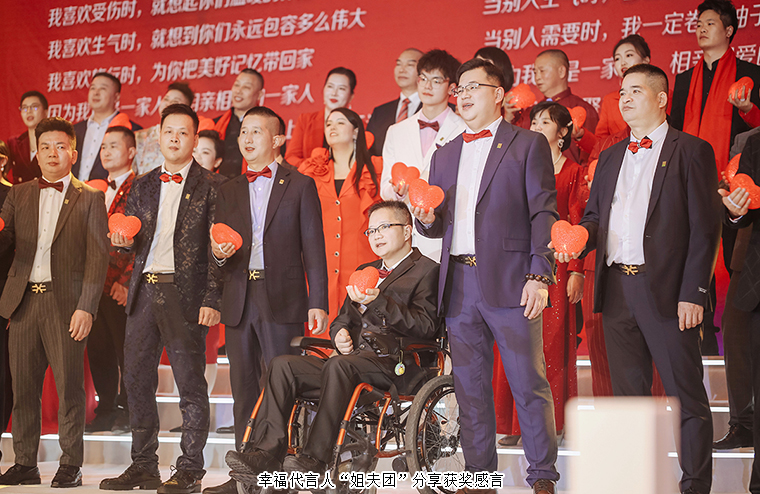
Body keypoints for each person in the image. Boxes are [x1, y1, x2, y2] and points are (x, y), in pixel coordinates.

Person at [556, 64, 720, 494]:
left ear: (661, 98)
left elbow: (705, 230)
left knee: (685, 395)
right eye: (622, 92)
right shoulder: (611, 156)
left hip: (668, 291)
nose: (625, 99)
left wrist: (694, 293)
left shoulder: (691, 150)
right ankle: (638, 483)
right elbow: (595, 217)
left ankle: (694, 485)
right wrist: (579, 238)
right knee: (630, 402)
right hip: (616, 290)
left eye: (635, 91)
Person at [413, 58, 560, 494]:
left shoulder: (527, 144)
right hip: (459, 284)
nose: (464, 95)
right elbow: (437, 226)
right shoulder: (444, 154)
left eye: (473, 87)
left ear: (498, 94)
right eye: (460, 88)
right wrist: (424, 219)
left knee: (527, 383)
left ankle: (542, 476)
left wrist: (540, 273)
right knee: (470, 389)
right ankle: (480, 479)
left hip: (513, 280)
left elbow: (543, 213)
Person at [224, 200, 442, 484]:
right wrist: (339, 334)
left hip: (397, 364)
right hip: (353, 364)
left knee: (340, 366)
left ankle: (315, 458)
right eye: (371, 230)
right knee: (282, 365)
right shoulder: (366, 270)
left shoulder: (427, 270)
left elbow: (426, 326)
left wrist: (379, 302)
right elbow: (343, 319)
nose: (376, 235)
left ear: (407, 231)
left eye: (384, 227)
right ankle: (267, 453)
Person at [202, 106, 329, 494]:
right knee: (243, 389)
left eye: (256, 131)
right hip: (239, 297)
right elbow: (217, 248)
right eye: (243, 131)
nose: (247, 138)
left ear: (277, 139)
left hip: (283, 298)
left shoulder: (300, 185)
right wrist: (218, 254)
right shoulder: (228, 189)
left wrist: (318, 301)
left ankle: (281, 476)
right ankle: (244, 477)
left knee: (283, 387)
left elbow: (314, 248)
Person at [101, 104, 224, 493]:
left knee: (190, 383)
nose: (174, 138)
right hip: (143, 290)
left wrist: (212, 297)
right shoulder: (143, 184)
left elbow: (217, 250)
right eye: (169, 131)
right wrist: (123, 242)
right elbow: (134, 242)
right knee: (136, 378)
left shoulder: (213, 185)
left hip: (184, 293)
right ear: (158, 136)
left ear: (195, 139)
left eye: (183, 132)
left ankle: (190, 469)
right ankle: (143, 465)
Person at [0, 117, 109, 488]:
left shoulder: (90, 198)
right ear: (36, 153)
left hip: (66, 306)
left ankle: (70, 464)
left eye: (59, 146)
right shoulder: (18, 194)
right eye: (44, 147)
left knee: (70, 390)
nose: (51, 153)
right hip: (23, 303)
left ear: (73, 153)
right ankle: (25, 463)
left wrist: (87, 307)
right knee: (22, 390)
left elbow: (97, 258)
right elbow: (5, 240)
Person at [495, 102, 584, 445]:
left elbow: (577, 221)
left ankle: (550, 423)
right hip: (519, 265)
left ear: (563, 132)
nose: (536, 127)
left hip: (555, 267)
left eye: (545, 122)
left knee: (549, 345)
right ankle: (515, 424)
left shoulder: (573, 171)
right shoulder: (519, 164)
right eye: (533, 122)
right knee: (515, 344)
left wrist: (576, 270)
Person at [298, 108, 381, 327]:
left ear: (356, 131)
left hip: (362, 265)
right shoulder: (310, 171)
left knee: (359, 331)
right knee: (320, 332)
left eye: (340, 122)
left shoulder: (375, 170)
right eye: (328, 124)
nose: (332, 127)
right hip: (320, 266)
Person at [380, 49, 465, 262]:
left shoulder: (464, 130)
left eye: (436, 80)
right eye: (423, 78)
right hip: (403, 238)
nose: (427, 86)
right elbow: (384, 188)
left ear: (452, 88)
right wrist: (398, 192)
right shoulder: (396, 131)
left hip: (444, 234)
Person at [85, 126, 137, 434]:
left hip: (122, 287)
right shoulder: (93, 191)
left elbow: (146, 239)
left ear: (131, 152)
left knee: (127, 352)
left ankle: (130, 410)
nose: (106, 151)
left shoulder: (140, 188)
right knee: (98, 349)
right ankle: (105, 409)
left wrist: (127, 281)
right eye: (103, 146)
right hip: (94, 285)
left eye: (113, 146)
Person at [670, 0, 760, 173]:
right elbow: (676, 130)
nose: (702, 29)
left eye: (710, 24)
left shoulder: (751, 74)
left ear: (728, 31)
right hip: (688, 170)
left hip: (737, 170)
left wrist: (748, 109)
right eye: (699, 25)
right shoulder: (684, 80)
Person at [720, 130, 760, 494]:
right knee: (736, 340)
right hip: (751, 267)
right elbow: (741, 212)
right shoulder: (753, 142)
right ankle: (742, 423)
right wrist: (734, 211)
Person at [515, 49, 599, 165]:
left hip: (571, 175)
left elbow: (592, 157)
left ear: (561, 71)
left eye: (542, 71)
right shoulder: (530, 112)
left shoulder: (583, 109)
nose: (537, 77)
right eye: (535, 72)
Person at [73, 72, 142, 181]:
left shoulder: (132, 130)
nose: (96, 93)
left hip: (112, 190)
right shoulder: (74, 130)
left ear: (116, 97)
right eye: (93, 88)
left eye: (103, 89)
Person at [285, 67, 357, 167]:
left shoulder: (357, 125)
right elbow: (291, 157)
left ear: (351, 96)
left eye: (341, 88)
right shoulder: (306, 120)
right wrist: (312, 169)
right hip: (308, 175)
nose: (334, 93)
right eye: (330, 86)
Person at [366, 49, 424, 156]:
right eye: (398, 64)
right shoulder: (380, 112)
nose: (402, 70)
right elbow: (369, 150)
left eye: (410, 65)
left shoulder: (436, 110)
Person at [593, 35, 651, 141]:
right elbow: (600, 141)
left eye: (629, 55)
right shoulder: (610, 100)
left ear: (645, 60)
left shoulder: (661, 94)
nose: (623, 62)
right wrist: (581, 135)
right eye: (617, 58)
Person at [134, 82, 195, 175]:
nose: (168, 104)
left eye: (175, 101)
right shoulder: (140, 136)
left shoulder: (189, 139)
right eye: (166, 99)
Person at [213, 69, 265, 178]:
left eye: (246, 87)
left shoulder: (267, 125)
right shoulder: (215, 124)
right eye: (236, 85)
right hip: (218, 184)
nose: (238, 91)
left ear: (259, 94)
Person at [6, 90, 47, 184]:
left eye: (34, 107)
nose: (28, 111)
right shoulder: (14, 143)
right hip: (20, 192)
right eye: (24, 108)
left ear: (46, 112)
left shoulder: (54, 142)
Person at [474, 47, 517, 121]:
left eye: (487, 64)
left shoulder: (512, 105)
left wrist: (508, 119)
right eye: (477, 65)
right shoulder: (471, 102)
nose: (480, 69)